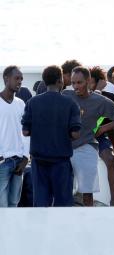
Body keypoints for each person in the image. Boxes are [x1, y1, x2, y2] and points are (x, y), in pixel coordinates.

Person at [67, 66, 114, 207]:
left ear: (88, 81)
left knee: (87, 193)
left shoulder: (100, 101)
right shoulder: (66, 95)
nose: (76, 87)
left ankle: (110, 203)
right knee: (64, 192)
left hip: (86, 147)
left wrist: (103, 128)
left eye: (79, 83)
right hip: (65, 149)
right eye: (73, 83)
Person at [21, 65, 81, 206]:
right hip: (61, 161)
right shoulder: (71, 104)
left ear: (44, 81)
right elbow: (75, 134)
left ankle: (42, 228)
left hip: (38, 161)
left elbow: (25, 132)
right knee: (63, 204)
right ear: (60, 81)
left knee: (41, 203)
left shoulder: (32, 102)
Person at [89, 66, 114, 206]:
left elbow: (111, 125)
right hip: (82, 138)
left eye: (90, 81)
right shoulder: (78, 97)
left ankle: (113, 200)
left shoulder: (110, 97)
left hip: (100, 137)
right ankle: (85, 200)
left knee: (110, 159)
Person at [0, 66, 29, 207]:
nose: (20, 81)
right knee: (2, 207)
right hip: (2, 163)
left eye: (21, 79)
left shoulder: (21, 104)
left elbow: (26, 133)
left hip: (19, 162)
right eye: (17, 78)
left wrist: (25, 158)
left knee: (14, 204)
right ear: (6, 78)